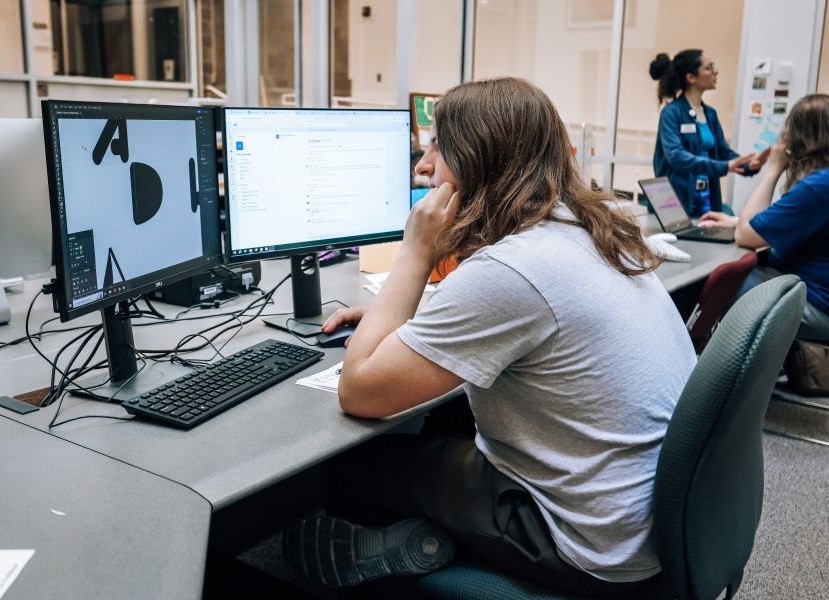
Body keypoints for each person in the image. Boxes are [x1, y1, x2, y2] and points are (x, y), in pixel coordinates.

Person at [282, 77, 697, 597]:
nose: (422, 165)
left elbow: (359, 390)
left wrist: (415, 252)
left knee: (356, 468)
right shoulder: (587, 228)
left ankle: (416, 556)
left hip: (586, 542)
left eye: (439, 146)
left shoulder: (513, 269)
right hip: (646, 516)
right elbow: (510, 306)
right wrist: (407, 314)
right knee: (440, 423)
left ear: (482, 160)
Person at [699, 93, 829, 342]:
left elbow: (746, 237)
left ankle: (722, 369)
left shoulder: (820, 185)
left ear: (801, 136)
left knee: (729, 281)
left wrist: (774, 169)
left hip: (818, 307)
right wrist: (737, 222)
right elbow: (786, 225)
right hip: (816, 295)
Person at [649, 49, 769, 216]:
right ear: (691, 77)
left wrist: (749, 165)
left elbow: (723, 152)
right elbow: (675, 156)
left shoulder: (710, 114)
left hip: (707, 200)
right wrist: (725, 167)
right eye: (709, 68)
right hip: (675, 204)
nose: (716, 71)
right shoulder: (671, 113)